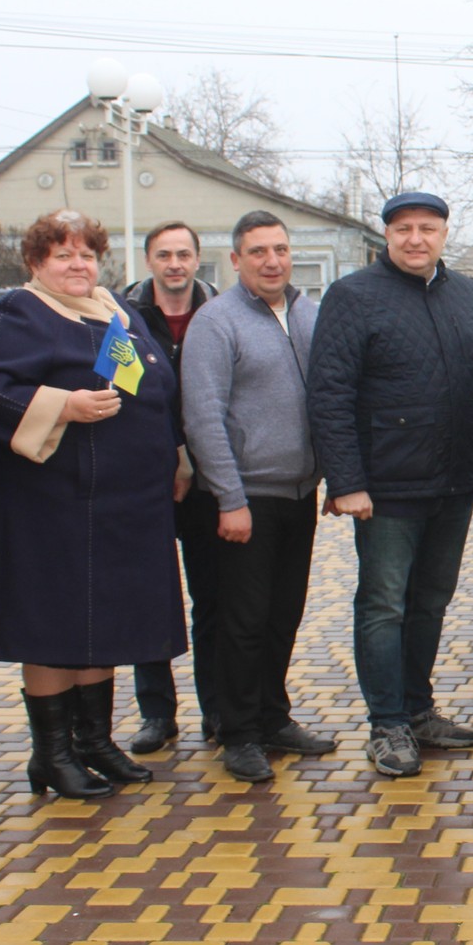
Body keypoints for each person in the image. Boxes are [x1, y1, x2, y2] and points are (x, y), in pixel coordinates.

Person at [0, 210, 187, 799]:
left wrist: (173, 457)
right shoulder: (17, 313)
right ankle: (52, 755)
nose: (78, 265)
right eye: (63, 255)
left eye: (86, 254)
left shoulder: (115, 313)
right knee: (53, 626)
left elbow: (147, 393)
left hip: (120, 508)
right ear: (37, 263)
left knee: (103, 621)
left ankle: (95, 742)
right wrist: (60, 405)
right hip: (46, 508)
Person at [308, 191, 473, 778]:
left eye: (428, 228)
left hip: (455, 481)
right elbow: (329, 394)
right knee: (383, 604)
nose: (416, 238)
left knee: (430, 603)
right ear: (386, 236)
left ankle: (418, 710)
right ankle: (387, 724)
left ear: (444, 232)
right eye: (404, 228)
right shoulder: (353, 296)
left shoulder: (465, 294)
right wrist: (347, 480)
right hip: (386, 488)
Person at [179, 211, 334, 783]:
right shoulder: (215, 322)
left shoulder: (308, 314)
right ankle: (238, 732)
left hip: (298, 493)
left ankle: (274, 716)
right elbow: (203, 416)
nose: (272, 261)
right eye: (258, 251)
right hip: (244, 498)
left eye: (280, 249)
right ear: (237, 260)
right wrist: (229, 497)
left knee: (282, 615)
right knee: (242, 620)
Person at [122, 220, 220, 753]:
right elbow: (124, 390)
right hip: (149, 477)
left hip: (208, 478)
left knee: (213, 599)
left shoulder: (223, 311)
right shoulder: (121, 318)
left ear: (198, 258)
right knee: (149, 598)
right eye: (164, 255)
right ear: (150, 261)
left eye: (184, 253)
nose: (175, 264)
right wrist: (168, 453)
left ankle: (217, 709)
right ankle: (156, 713)